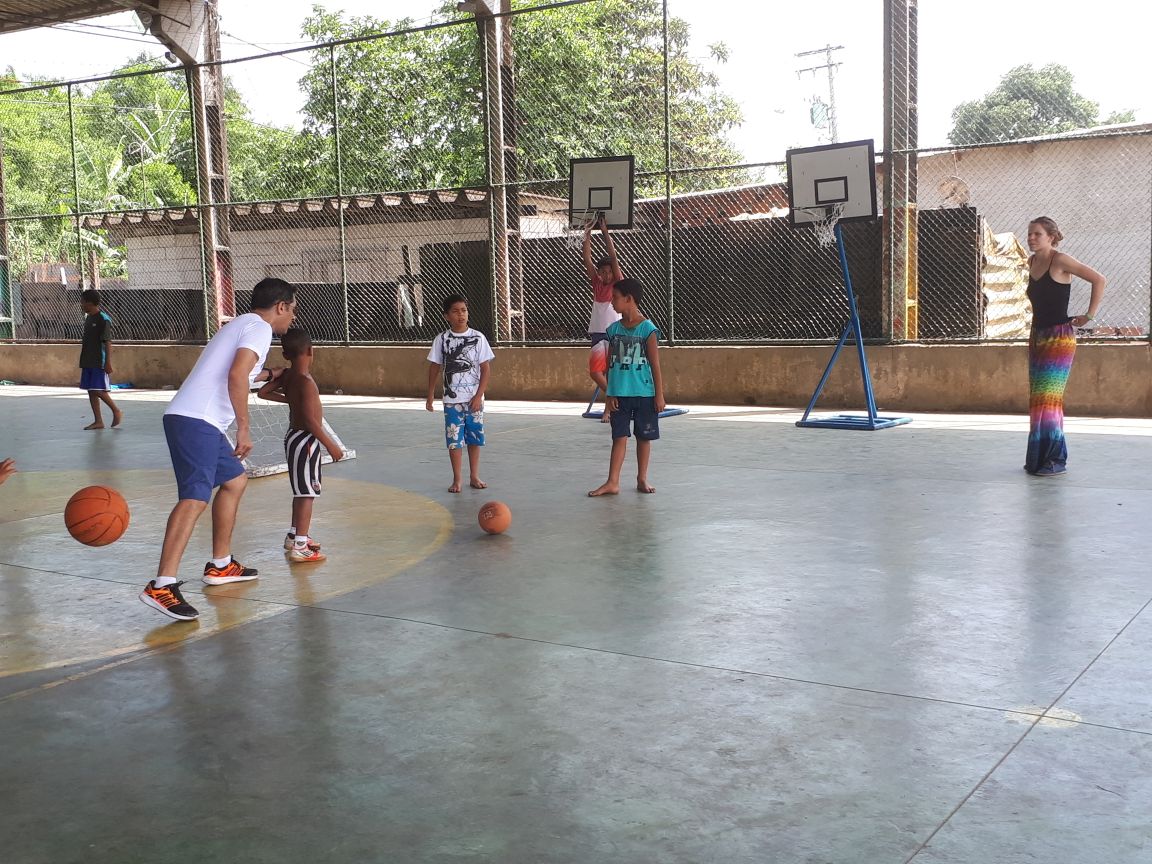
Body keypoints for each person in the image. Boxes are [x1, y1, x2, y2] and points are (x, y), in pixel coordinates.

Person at [139, 278, 297, 621]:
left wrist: (271, 372)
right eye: (292, 310)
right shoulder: (260, 329)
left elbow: (238, 370)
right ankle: (161, 584)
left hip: (196, 419)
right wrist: (243, 426)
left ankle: (221, 564)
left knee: (235, 480)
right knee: (195, 497)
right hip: (197, 420)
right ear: (281, 306)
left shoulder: (242, 323)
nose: (292, 319)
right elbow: (237, 376)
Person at [1024, 216, 1105, 477]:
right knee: (1039, 399)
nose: (1031, 238)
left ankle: (1055, 459)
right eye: (1030, 234)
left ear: (1051, 236)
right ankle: (1038, 457)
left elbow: (1099, 279)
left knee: (1049, 398)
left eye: (1037, 234)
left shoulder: (1061, 260)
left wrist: (1089, 316)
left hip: (1059, 338)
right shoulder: (1032, 262)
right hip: (1037, 336)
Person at [256, 327, 343, 564]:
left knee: (300, 490)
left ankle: (294, 535)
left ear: (286, 355)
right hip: (306, 441)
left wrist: (290, 399)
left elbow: (263, 392)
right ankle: (301, 546)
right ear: (311, 351)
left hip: (293, 437)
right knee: (307, 493)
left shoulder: (288, 375)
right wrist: (331, 445)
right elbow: (312, 422)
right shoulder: (305, 381)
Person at [588, 277, 666, 497]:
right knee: (618, 437)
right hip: (619, 395)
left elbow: (655, 364)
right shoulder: (613, 330)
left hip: (644, 393)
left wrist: (659, 395)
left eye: (615, 298)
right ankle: (612, 482)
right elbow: (610, 366)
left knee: (643, 437)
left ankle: (642, 478)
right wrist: (610, 393)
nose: (611, 302)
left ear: (629, 299)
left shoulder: (648, 329)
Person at [425, 294, 494, 493]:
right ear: (446, 316)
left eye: (463, 310)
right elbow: (434, 367)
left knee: (474, 438)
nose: (460, 315)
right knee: (454, 440)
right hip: (451, 400)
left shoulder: (478, 337)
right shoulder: (442, 339)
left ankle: (474, 475)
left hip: (474, 399)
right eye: (455, 312)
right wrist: (430, 395)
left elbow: (485, 369)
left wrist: (479, 395)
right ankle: (457, 479)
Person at [583, 214, 624, 422]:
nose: (607, 275)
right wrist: (588, 231)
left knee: (611, 372)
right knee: (596, 372)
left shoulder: (616, 285)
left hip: (614, 334)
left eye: (609, 272)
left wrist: (605, 231)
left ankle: (608, 410)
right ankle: (613, 394)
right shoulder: (597, 284)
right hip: (598, 335)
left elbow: (614, 257)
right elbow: (587, 258)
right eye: (603, 272)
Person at [79, 289, 123, 430]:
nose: (81, 305)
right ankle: (98, 421)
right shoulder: (88, 319)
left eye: (83, 302)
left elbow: (107, 342)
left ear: (90, 303)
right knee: (91, 390)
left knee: (98, 389)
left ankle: (116, 410)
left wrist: (107, 362)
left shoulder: (103, 319)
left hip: (99, 361)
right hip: (88, 360)